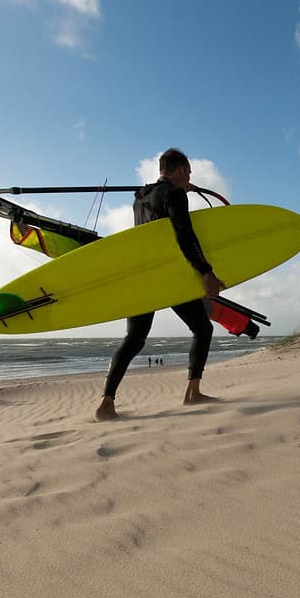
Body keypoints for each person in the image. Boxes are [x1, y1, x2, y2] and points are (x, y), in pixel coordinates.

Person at [95, 148, 225, 420]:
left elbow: (156, 221)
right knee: (202, 328)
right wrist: (206, 271)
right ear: (179, 171)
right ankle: (193, 393)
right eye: (188, 172)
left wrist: (179, 190)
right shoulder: (174, 195)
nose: (190, 178)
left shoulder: (140, 198)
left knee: (133, 340)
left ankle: (106, 402)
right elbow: (184, 235)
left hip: (141, 277)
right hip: (167, 278)